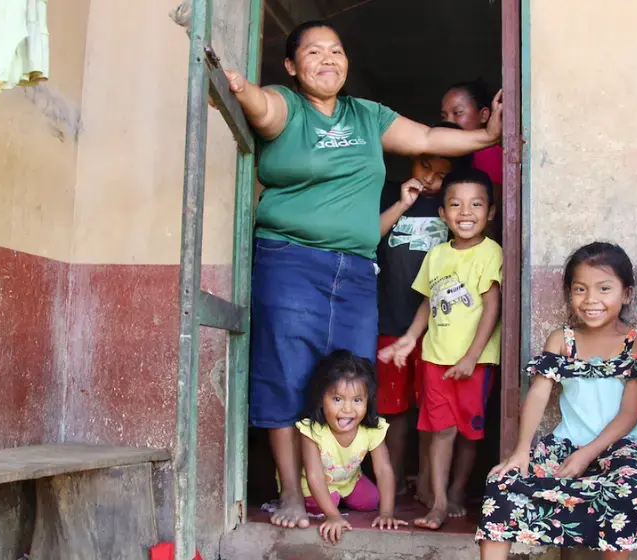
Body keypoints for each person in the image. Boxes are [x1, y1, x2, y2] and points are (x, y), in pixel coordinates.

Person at [212, 20, 502, 530]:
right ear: (291, 64)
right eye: (314, 51)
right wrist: (238, 88)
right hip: (290, 259)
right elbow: (262, 109)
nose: (329, 59)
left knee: (352, 377)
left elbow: (430, 135)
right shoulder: (288, 106)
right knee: (286, 374)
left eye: (337, 50)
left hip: (356, 272)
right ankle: (292, 495)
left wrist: (488, 134)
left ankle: (338, 482)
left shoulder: (367, 116)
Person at [475, 242, 637, 559]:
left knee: (626, 491)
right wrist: (520, 452)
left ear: (626, 293)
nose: (591, 300)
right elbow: (539, 394)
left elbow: (629, 413)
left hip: (621, 446)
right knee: (501, 484)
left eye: (604, 288)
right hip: (566, 443)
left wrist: (588, 454)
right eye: (580, 289)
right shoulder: (562, 340)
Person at [378, 167, 502, 530]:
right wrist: (410, 339)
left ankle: (460, 490)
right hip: (435, 358)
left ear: (490, 212)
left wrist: (470, 357)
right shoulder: (437, 254)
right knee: (440, 430)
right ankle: (439, 501)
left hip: (474, 362)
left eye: (476, 204)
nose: (466, 212)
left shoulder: (491, 253)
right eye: (456, 205)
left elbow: (492, 308)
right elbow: (427, 304)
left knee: (468, 432)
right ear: (442, 214)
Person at [376, 122, 472, 500]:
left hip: (441, 330)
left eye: (442, 174)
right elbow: (367, 237)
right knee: (394, 411)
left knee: (433, 414)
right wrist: (403, 203)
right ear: (411, 157)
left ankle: (429, 490)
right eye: (425, 166)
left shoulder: (455, 208)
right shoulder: (388, 196)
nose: (431, 178)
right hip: (390, 321)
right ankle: (395, 482)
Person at [297, 350, 408, 544]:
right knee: (330, 502)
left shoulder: (371, 429)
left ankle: (341, 498)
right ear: (321, 400)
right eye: (337, 399)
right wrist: (332, 515)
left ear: (368, 401)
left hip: (348, 481)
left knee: (372, 500)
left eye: (357, 400)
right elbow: (314, 474)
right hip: (314, 484)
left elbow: (383, 470)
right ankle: (333, 504)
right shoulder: (312, 430)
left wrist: (387, 512)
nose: (348, 409)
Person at [440, 80, 503, 239]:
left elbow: (490, 214)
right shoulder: (457, 154)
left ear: (483, 115)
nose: (448, 121)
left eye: (458, 113)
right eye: (444, 115)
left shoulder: (486, 152)